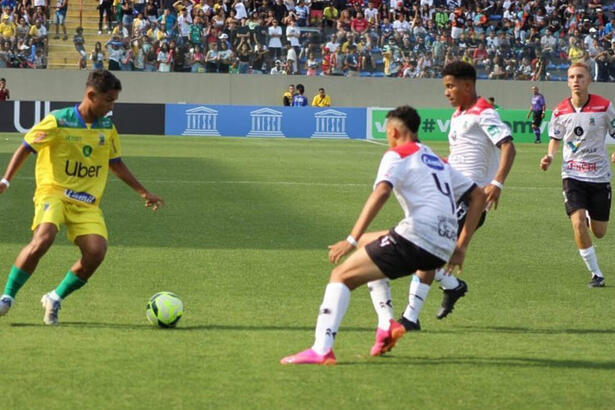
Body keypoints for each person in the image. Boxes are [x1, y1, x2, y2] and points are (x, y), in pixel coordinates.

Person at [280, 106, 486, 365]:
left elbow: (382, 192)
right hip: (442, 244)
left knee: (341, 276)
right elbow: (478, 195)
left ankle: (322, 349)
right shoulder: (436, 160)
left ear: (394, 131)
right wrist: (461, 246)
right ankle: (386, 324)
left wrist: (351, 239)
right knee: (369, 244)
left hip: (418, 235)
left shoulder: (397, 154)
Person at [366, 62, 515, 341]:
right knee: (427, 252)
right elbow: (463, 156)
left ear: (467, 86)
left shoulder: (483, 112)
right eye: (445, 86)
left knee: (425, 250)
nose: (446, 92)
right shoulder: (459, 115)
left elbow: (508, 145)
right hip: (450, 194)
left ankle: (410, 318)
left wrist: (496, 183)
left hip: (469, 199)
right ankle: (453, 286)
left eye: (451, 86)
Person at [0, 70, 164, 325]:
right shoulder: (58, 121)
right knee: (44, 237)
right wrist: (5, 180)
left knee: (96, 252)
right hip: (52, 191)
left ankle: (54, 298)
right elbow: (26, 146)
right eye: (109, 100)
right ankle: (7, 297)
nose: (112, 106)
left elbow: (115, 163)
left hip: (86, 201)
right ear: (91, 95)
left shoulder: (107, 128)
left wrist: (143, 192)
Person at [540, 63, 615, 288]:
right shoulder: (560, 110)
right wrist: (550, 156)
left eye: (580, 76)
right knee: (578, 222)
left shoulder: (604, 107)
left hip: (600, 176)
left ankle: (592, 217)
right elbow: (554, 138)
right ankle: (596, 273)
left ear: (588, 80)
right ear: (567, 81)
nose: (576, 80)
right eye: (572, 76)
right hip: (572, 174)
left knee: (599, 232)